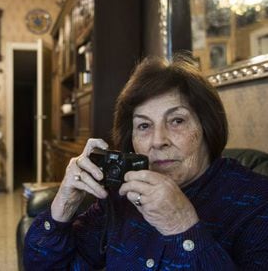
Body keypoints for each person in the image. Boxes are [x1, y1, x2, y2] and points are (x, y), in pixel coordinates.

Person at [23, 55, 268, 270]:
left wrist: (182, 227)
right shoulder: (120, 196)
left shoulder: (258, 202)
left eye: (177, 121)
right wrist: (64, 205)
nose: (158, 141)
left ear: (207, 127)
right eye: (143, 125)